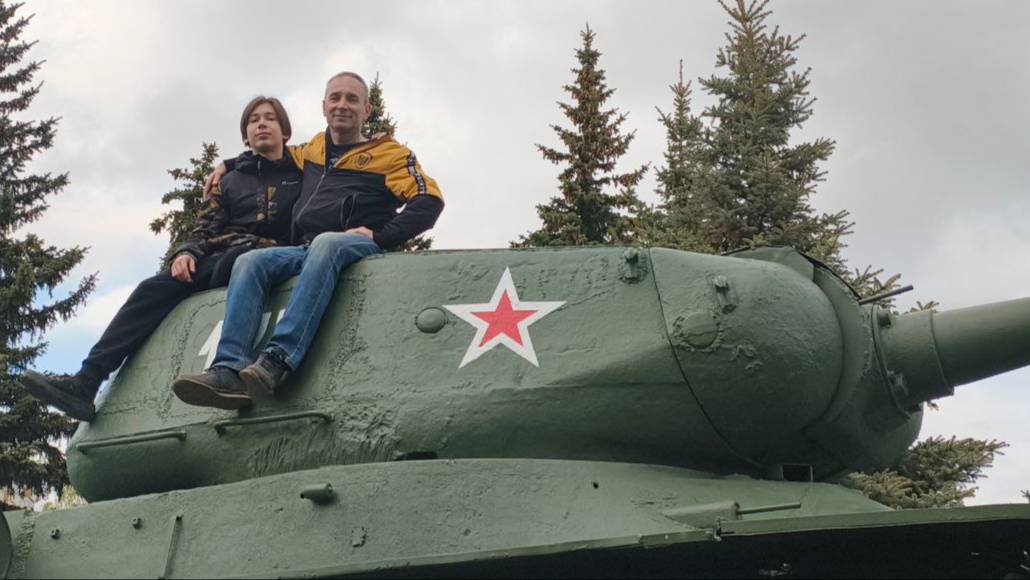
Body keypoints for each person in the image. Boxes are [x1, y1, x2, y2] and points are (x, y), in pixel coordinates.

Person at [171, 71, 444, 410]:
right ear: (324, 106)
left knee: (327, 243)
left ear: (366, 110)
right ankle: (228, 369)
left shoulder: (391, 155)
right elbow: (273, 152)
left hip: (355, 245)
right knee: (250, 261)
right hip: (305, 248)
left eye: (352, 99)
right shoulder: (314, 148)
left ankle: (278, 359)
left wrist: (382, 235)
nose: (342, 105)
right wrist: (228, 164)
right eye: (335, 98)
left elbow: (429, 201)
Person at [19, 96, 303, 421]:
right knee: (151, 289)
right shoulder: (228, 182)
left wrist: (229, 162)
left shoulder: (302, 172)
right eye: (254, 120)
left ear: (285, 131)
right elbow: (204, 229)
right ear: (246, 135)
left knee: (239, 263)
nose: (262, 124)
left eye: (270, 118)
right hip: (219, 255)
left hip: (266, 257)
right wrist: (185, 252)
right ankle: (86, 382)